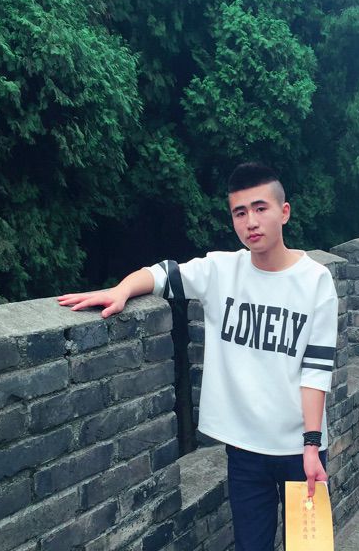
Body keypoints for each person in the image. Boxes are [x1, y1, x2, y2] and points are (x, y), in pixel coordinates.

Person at [58, 162, 338, 550]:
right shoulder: (221, 271)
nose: (251, 222)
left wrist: (311, 446)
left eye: (261, 208)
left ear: (284, 211)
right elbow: (162, 275)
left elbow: (315, 368)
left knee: (308, 548)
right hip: (245, 449)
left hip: (300, 449)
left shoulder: (315, 280)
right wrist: (121, 290)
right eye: (240, 212)